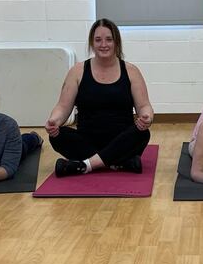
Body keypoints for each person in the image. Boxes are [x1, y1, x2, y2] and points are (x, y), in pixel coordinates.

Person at [45, 18, 153, 177]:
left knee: (142, 133)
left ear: (116, 42)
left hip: (121, 139)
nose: (104, 44)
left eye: (109, 39)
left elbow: (144, 106)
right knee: (57, 136)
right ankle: (118, 162)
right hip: (87, 140)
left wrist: (147, 117)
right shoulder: (78, 71)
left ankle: (84, 165)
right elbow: (62, 107)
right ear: (91, 43)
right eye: (98, 40)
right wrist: (54, 121)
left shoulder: (131, 71)